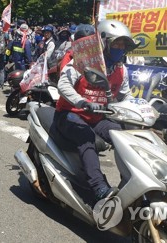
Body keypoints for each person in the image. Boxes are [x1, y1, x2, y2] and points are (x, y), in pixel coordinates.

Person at [54, 19, 139, 205]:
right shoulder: (82, 61)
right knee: (87, 138)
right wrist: (80, 101)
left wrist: (139, 109)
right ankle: (98, 186)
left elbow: (126, 96)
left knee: (123, 137)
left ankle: (133, 182)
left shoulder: (121, 69)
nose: (120, 48)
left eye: (123, 44)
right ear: (104, 43)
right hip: (70, 113)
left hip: (97, 118)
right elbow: (64, 84)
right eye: (116, 43)